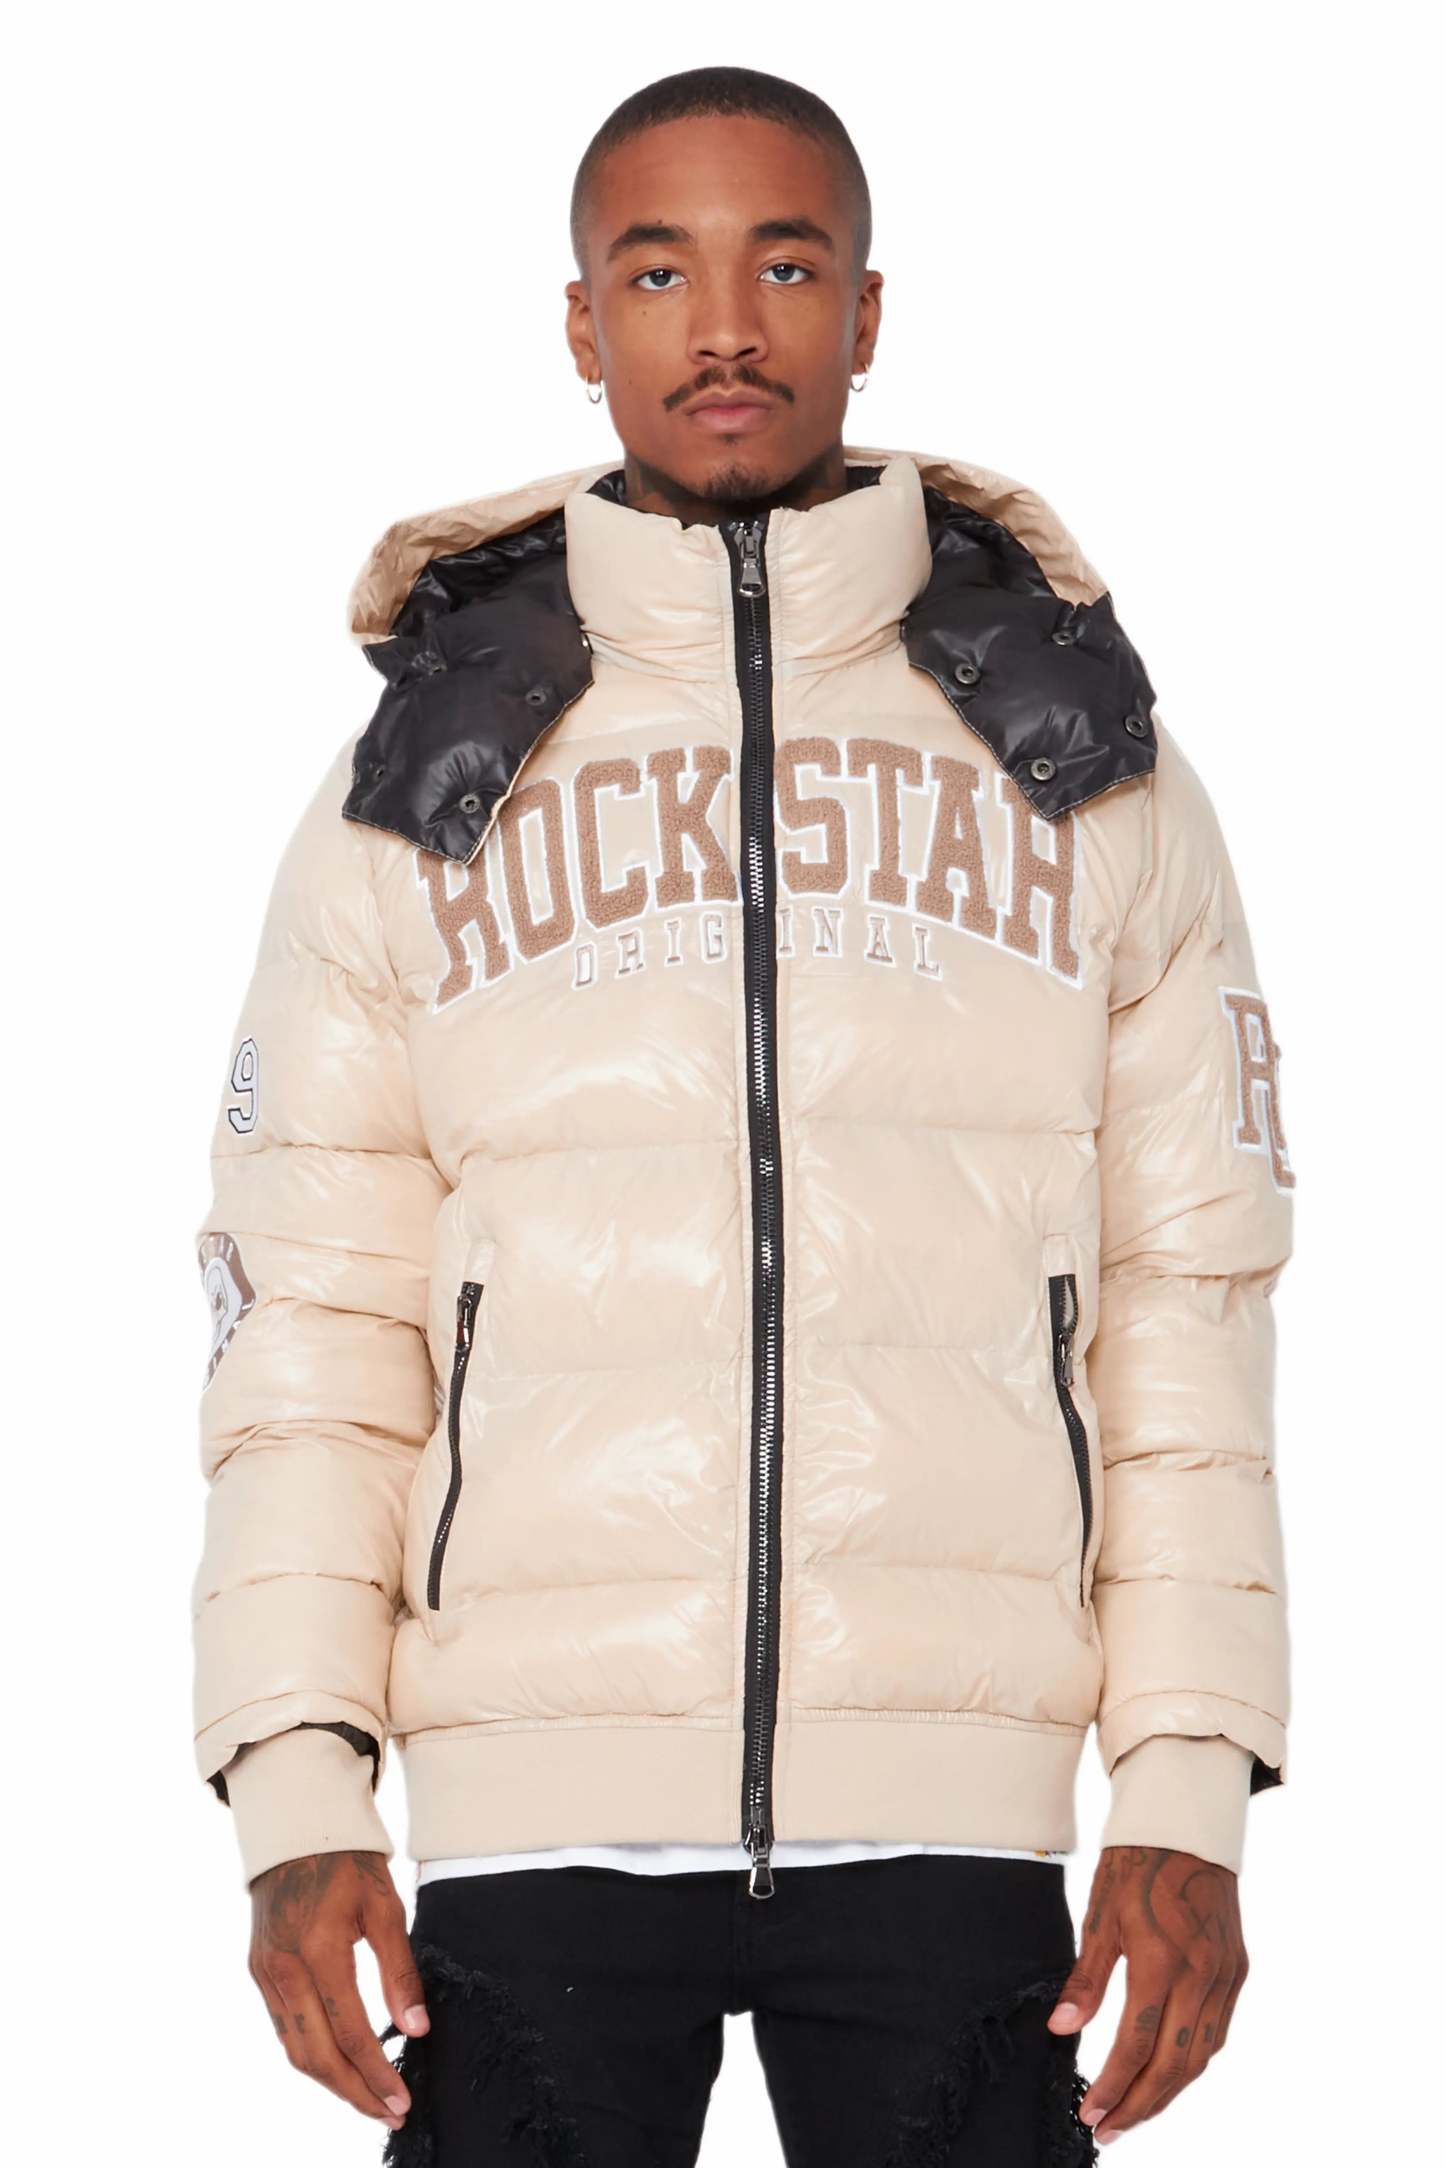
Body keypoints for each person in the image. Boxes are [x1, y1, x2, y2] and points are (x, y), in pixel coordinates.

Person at [190, 64, 1294, 2166]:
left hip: (952, 1810)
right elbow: (308, 1322)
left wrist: (1186, 1780)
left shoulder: (1080, 760)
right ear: (579, 320)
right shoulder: (414, 787)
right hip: (532, 1814)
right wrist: (295, 1780)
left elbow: (1191, 1305)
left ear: (866, 310)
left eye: (784, 267)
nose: (722, 328)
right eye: (656, 271)